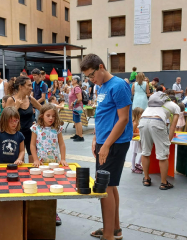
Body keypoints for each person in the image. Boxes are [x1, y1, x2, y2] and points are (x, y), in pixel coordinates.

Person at [81, 54, 132, 240]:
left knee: (104, 187)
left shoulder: (118, 86)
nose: (90, 79)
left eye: (92, 75)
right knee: (110, 185)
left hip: (115, 143)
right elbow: (102, 114)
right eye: (87, 77)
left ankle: (109, 235)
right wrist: (96, 138)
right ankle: (114, 228)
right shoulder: (100, 86)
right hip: (105, 141)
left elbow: (123, 118)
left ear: (101, 67)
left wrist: (106, 145)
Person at [30, 104, 68, 226]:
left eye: (53, 116)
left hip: (53, 165)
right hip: (40, 164)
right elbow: (32, 145)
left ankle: (53, 212)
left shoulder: (57, 129)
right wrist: (35, 159)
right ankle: (40, 211)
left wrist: (62, 159)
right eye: (48, 115)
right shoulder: (36, 128)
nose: (51, 118)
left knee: (53, 189)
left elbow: (62, 144)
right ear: (42, 116)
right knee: (40, 187)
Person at [140, 91, 180, 191]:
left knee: (145, 152)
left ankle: (146, 178)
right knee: (163, 154)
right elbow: (173, 126)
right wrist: (168, 142)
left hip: (143, 121)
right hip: (157, 122)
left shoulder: (151, 105)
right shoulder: (175, 106)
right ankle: (163, 182)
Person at [5, 76, 42, 163]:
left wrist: (39, 123)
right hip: (16, 133)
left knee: (32, 157)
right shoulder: (11, 100)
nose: (31, 88)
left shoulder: (30, 99)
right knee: (19, 160)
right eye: (29, 85)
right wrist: (16, 107)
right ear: (21, 87)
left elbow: (43, 110)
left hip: (30, 133)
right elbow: (6, 117)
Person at [69, 75, 84, 142]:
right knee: (75, 120)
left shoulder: (77, 88)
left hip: (77, 106)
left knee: (78, 121)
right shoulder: (74, 88)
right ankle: (77, 134)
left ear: (75, 80)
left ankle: (80, 136)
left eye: (72, 80)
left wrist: (73, 102)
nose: (71, 81)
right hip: (75, 107)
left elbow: (80, 98)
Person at [130, 107, 144, 174]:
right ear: (137, 114)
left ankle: (138, 163)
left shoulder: (139, 121)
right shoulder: (135, 123)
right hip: (135, 140)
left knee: (143, 151)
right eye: (141, 113)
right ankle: (133, 167)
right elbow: (131, 132)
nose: (142, 115)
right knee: (134, 153)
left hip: (138, 139)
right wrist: (139, 133)